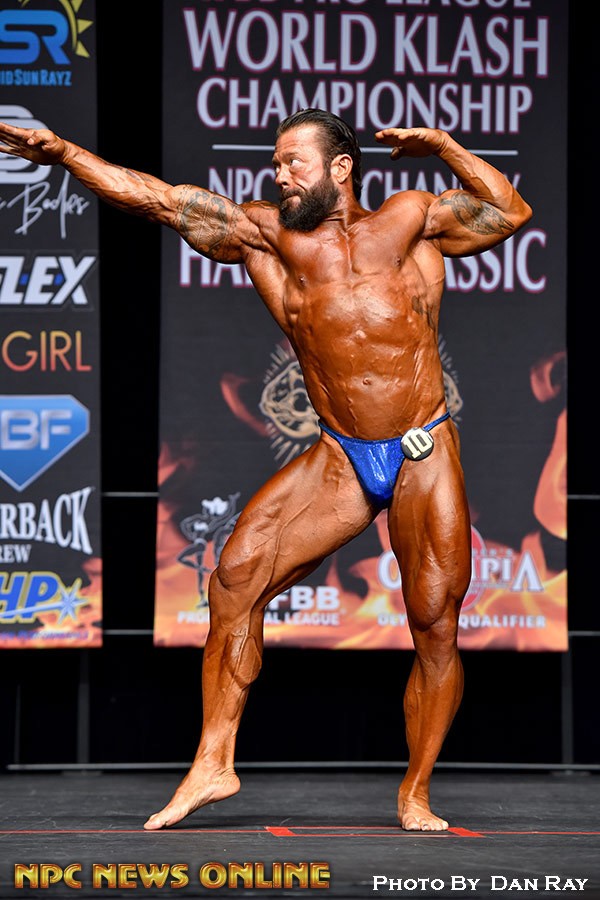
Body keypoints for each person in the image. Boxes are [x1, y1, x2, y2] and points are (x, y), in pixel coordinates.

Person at [0, 108, 531, 831]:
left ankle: (416, 792)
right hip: (341, 455)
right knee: (235, 579)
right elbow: (158, 199)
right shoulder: (266, 235)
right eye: (275, 164)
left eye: (292, 163)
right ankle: (214, 763)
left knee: (435, 625)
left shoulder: (410, 220)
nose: (278, 175)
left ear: (340, 168)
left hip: (422, 448)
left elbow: (509, 210)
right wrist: (65, 153)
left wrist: (440, 145)